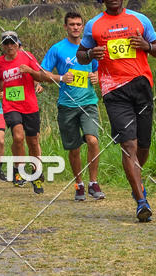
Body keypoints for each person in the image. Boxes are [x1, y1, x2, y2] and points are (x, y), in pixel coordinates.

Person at [77, 0, 156, 222]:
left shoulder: (140, 20)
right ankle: (141, 201)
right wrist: (90, 53)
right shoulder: (94, 26)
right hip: (113, 91)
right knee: (129, 145)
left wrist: (147, 45)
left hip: (141, 86)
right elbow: (81, 54)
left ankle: (136, 182)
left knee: (143, 146)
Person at [39, 12, 105, 201]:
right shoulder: (57, 49)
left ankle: (93, 183)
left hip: (88, 102)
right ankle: (79, 184)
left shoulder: (90, 48)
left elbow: (100, 70)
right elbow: (42, 73)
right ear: (65, 27)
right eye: (72, 24)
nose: (75, 27)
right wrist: (61, 77)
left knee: (93, 140)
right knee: (74, 148)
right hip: (67, 105)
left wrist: (97, 76)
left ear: (83, 26)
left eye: (78, 24)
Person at [0, 30, 44, 193]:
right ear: (2, 46)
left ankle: (36, 174)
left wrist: (30, 72)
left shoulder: (27, 56)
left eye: (12, 43)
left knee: (33, 141)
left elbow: (40, 75)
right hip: (11, 105)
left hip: (30, 105)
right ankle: (20, 170)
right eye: (6, 43)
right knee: (18, 137)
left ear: (17, 43)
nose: (9, 46)